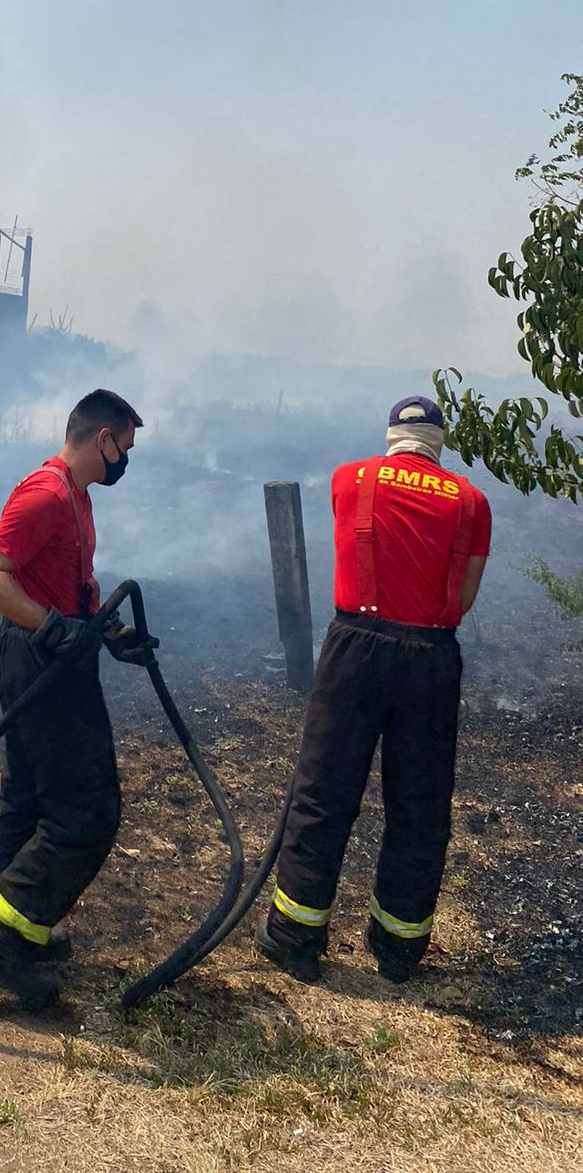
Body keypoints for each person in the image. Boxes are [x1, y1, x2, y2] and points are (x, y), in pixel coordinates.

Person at [256, 396, 491, 985]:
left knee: (323, 793)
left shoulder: (350, 479)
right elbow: (464, 597)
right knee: (420, 805)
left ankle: (295, 938)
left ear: (391, 437)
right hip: (431, 658)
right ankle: (399, 949)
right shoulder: (472, 503)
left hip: (355, 648)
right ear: (439, 442)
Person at [0, 389, 156, 1007]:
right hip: (37, 658)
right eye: (123, 446)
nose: (125, 458)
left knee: (29, 797)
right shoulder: (44, 493)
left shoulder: (76, 497)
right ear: (103, 438)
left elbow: (73, 585)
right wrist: (49, 626)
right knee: (86, 809)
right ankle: (2, 937)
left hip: (57, 653)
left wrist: (110, 631)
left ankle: (17, 930)